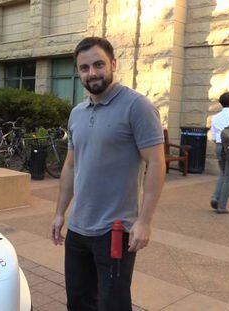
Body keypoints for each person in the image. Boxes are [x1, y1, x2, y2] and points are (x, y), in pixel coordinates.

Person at [50, 37, 166, 311]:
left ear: (113, 64)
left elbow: (157, 163)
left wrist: (145, 221)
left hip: (115, 231)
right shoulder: (77, 113)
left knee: (112, 304)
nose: (92, 73)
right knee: (78, 302)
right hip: (78, 229)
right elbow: (70, 166)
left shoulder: (137, 106)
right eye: (84, 68)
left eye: (99, 64)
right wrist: (59, 213)